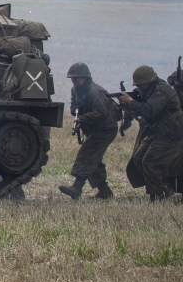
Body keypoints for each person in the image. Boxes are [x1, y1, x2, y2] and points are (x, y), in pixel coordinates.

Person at [116, 65, 183, 202]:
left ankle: (157, 194)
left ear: (149, 82)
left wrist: (131, 102)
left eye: (142, 85)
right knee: (139, 158)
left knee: (150, 161)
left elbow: (150, 110)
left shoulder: (161, 90)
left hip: (172, 133)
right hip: (158, 131)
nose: (140, 88)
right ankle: (163, 188)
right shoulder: (148, 92)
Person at [59, 63, 118, 200]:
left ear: (84, 78)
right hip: (94, 129)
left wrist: (83, 118)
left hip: (105, 129)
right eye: (72, 79)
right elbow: (74, 103)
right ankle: (105, 191)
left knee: (88, 154)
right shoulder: (76, 89)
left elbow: (101, 112)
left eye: (77, 78)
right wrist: (75, 111)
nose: (74, 81)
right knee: (94, 160)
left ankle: (77, 187)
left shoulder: (94, 92)